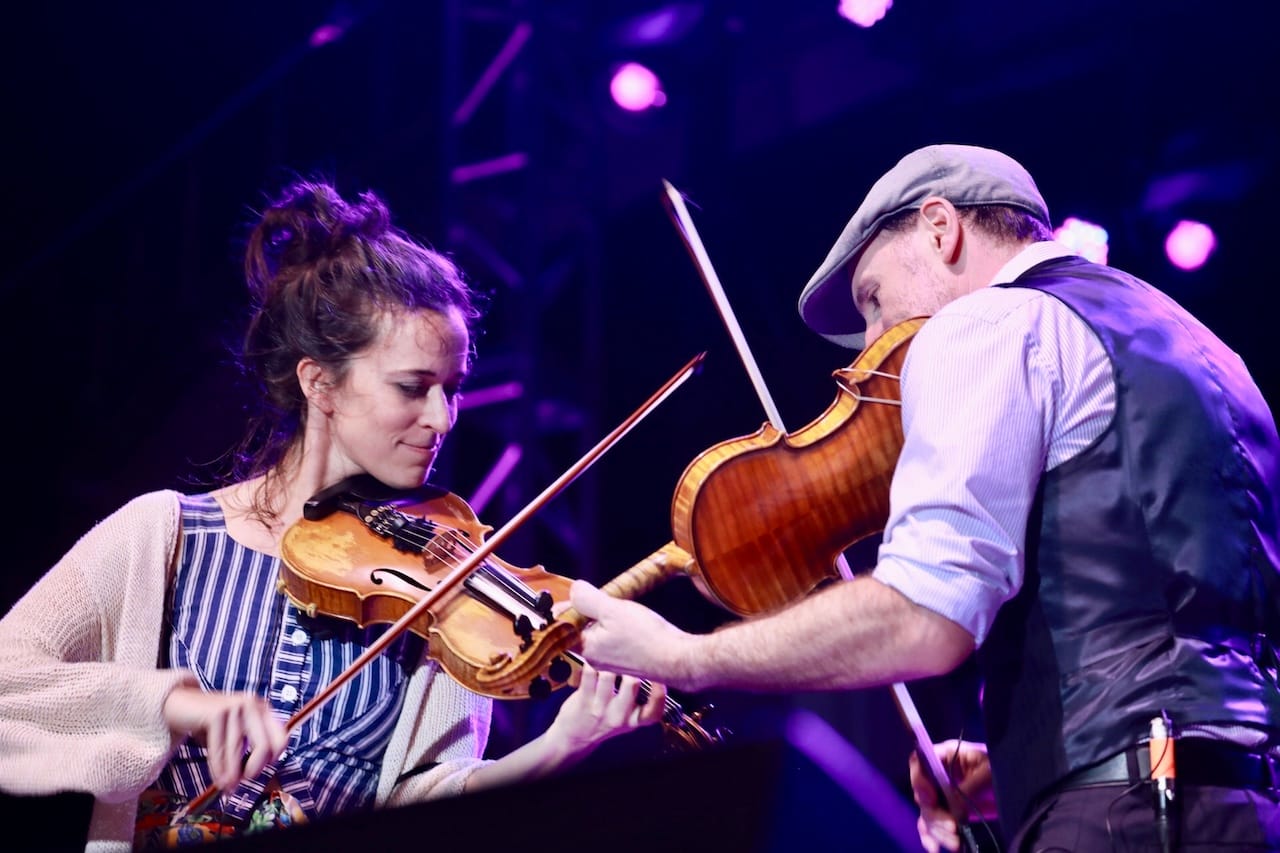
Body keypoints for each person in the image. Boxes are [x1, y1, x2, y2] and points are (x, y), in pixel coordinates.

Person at [569, 143, 1280, 851]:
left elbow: (924, 614)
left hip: (1120, 820)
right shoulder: (1210, 353)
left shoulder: (991, 322)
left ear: (941, 230)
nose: (871, 344)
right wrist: (1032, 764)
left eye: (874, 301)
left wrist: (686, 654)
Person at [0, 178, 667, 851]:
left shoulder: (443, 582)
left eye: (452, 389)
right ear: (320, 383)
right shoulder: (165, 536)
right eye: (412, 387)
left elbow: (432, 799)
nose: (441, 418)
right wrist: (174, 703)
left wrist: (563, 743)